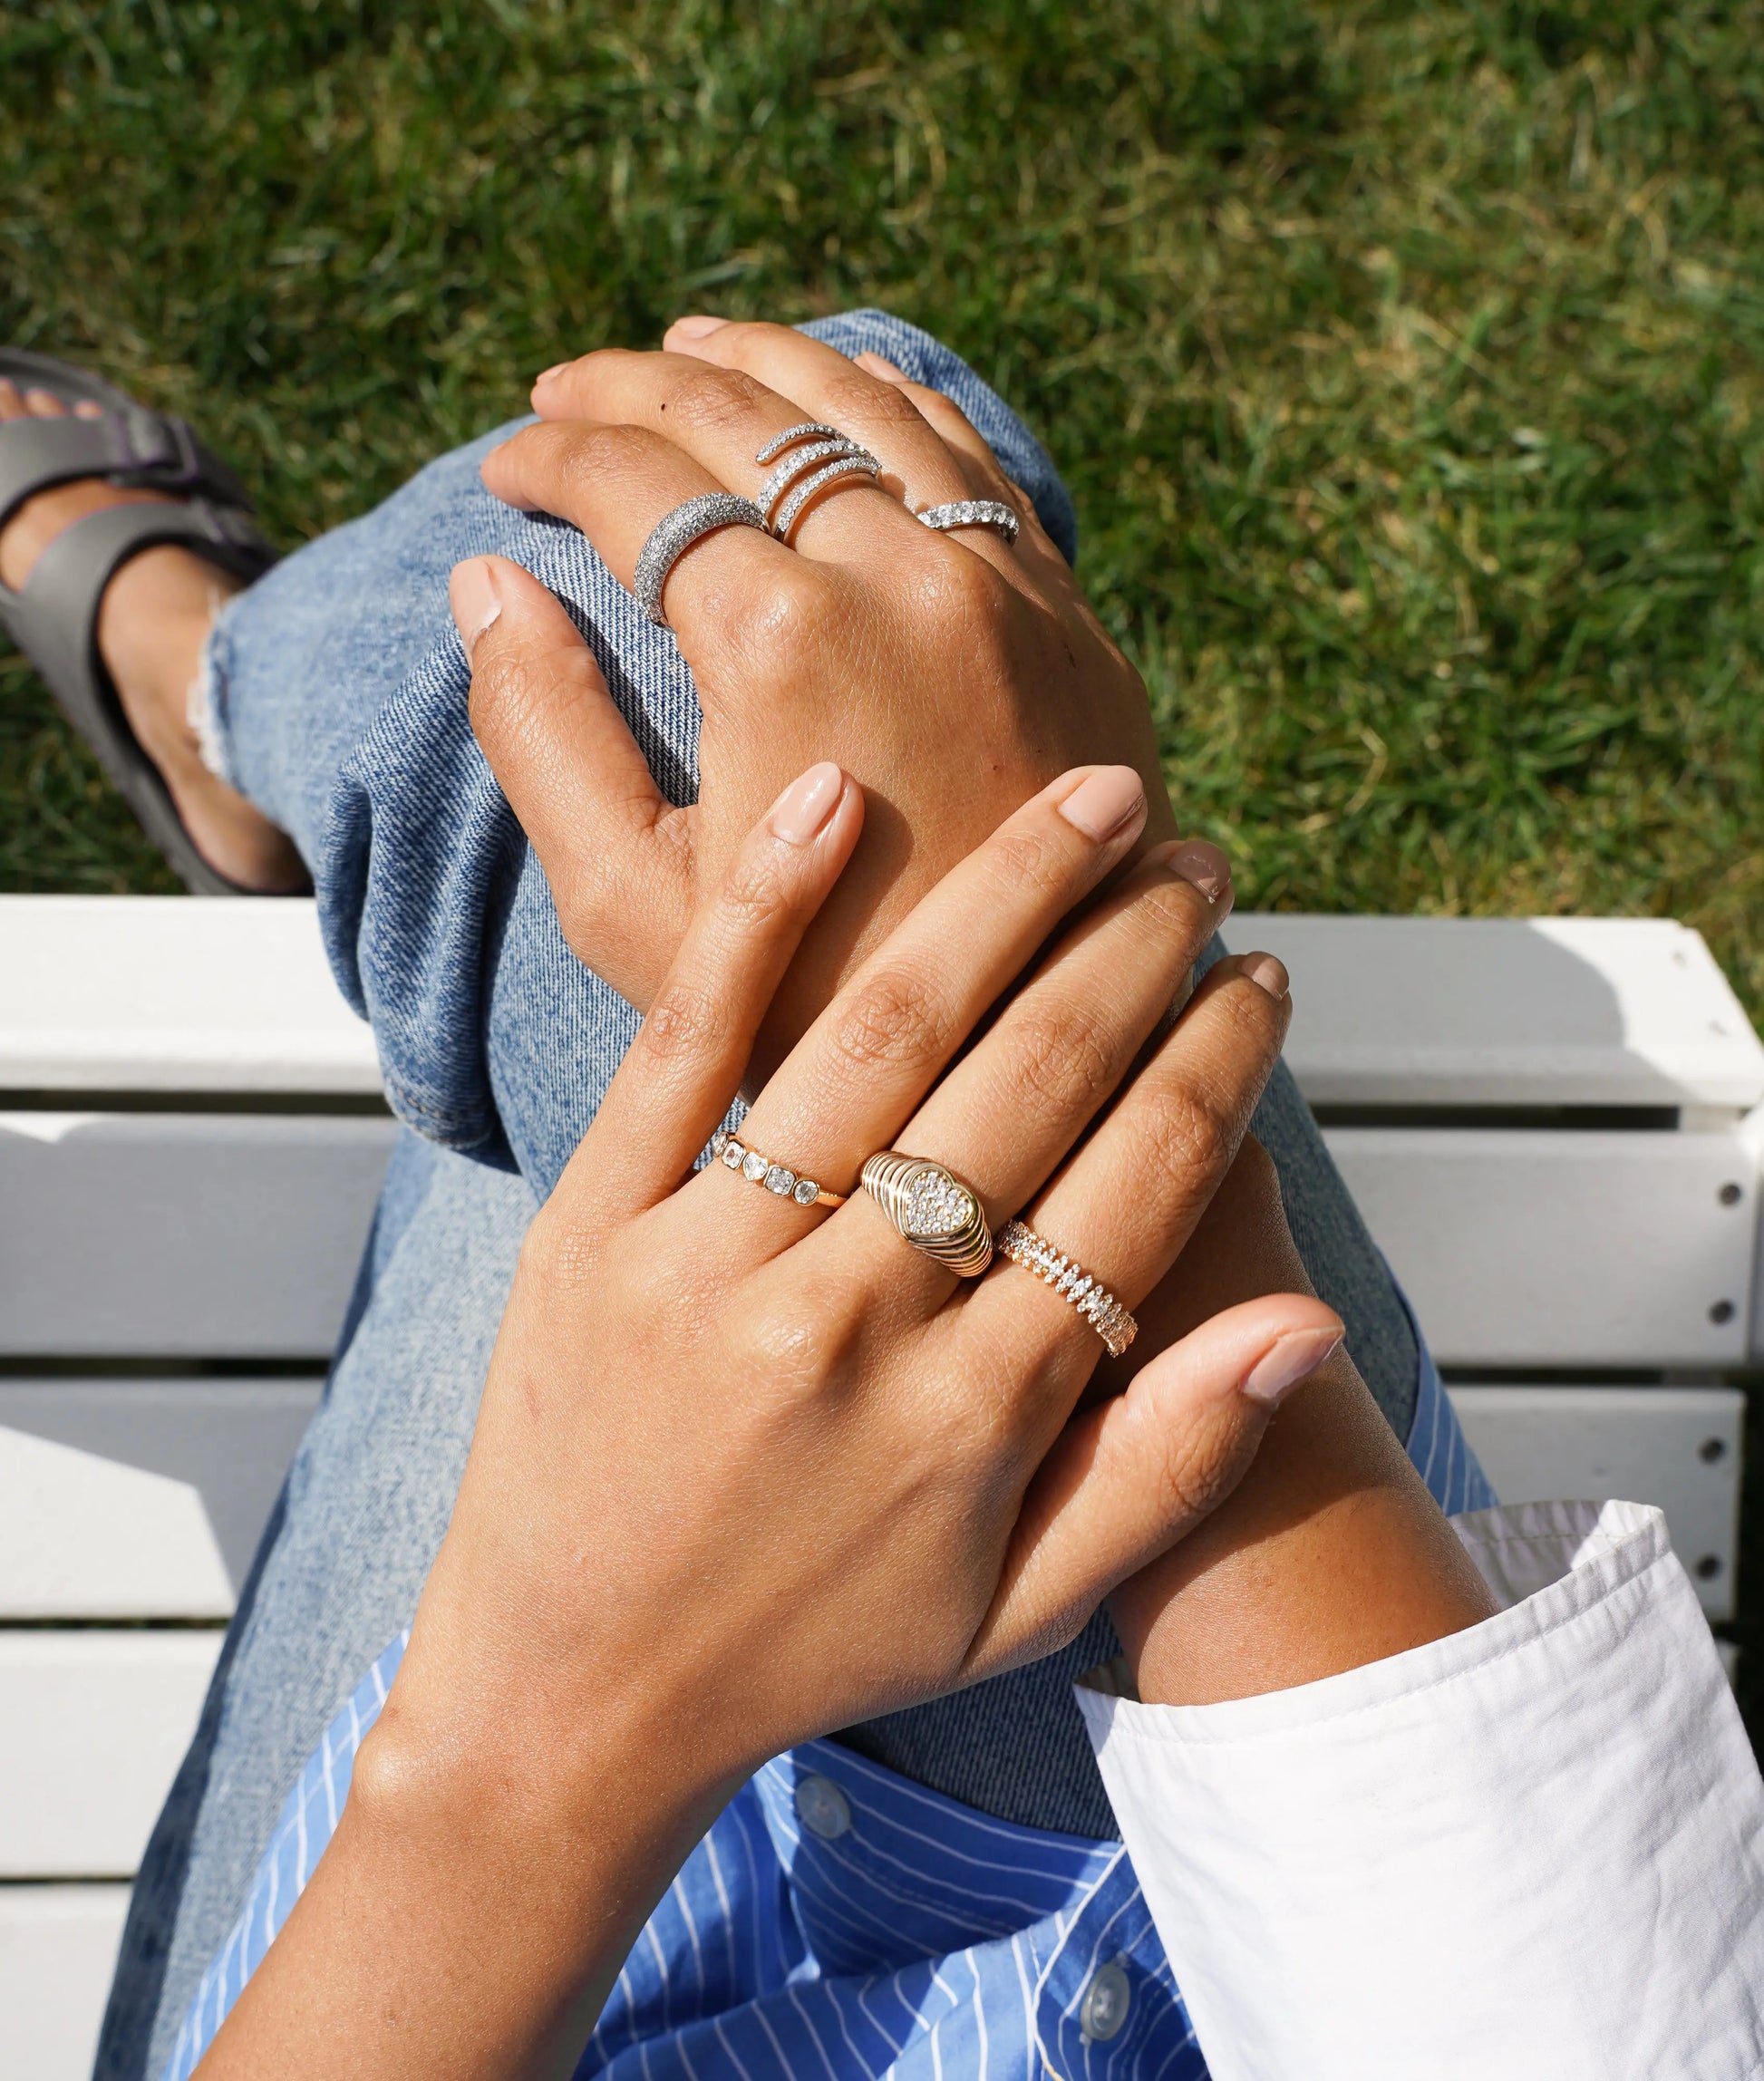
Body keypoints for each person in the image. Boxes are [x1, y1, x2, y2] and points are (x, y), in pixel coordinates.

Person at [0, 314, 1757, 2077]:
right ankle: (211, 690)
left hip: (432, 1942)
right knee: (805, 612)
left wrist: (557, 1732)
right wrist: (1068, 1107)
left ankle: (202, 685)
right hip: (1279, 1936)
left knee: (710, 630)